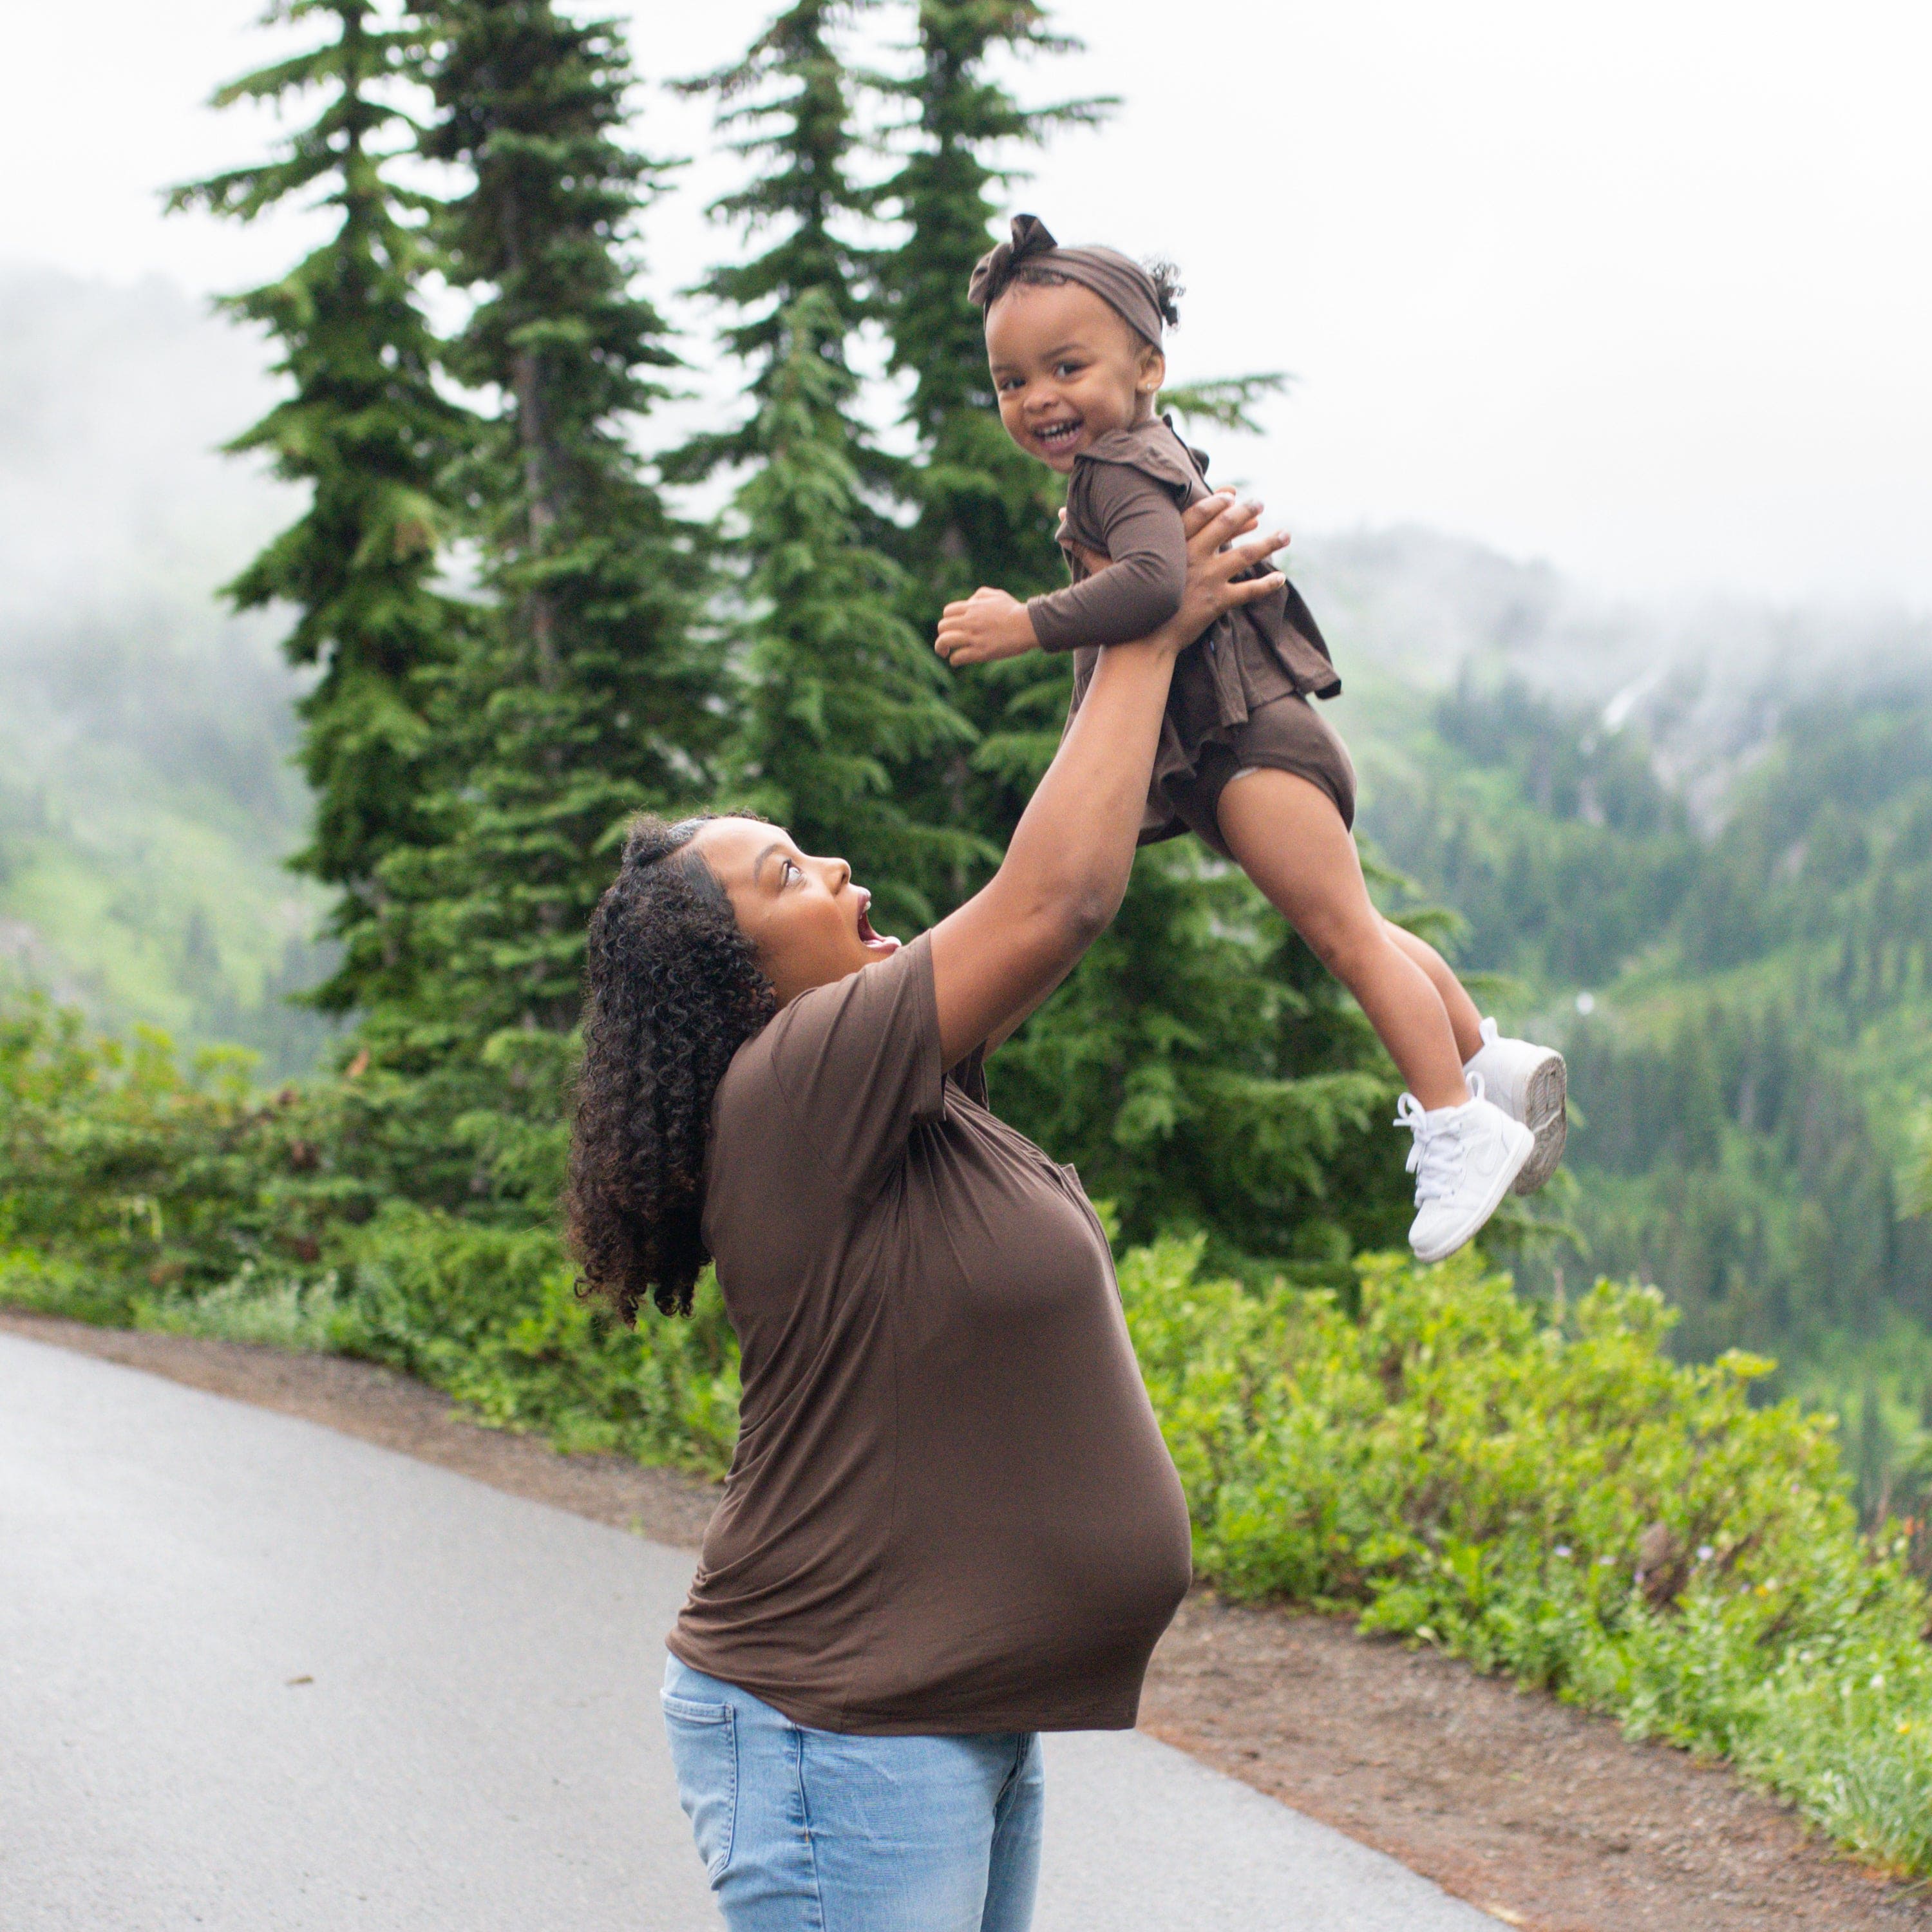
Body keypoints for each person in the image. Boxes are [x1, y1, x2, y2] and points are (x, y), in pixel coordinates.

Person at [567, 493, 1283, 1932]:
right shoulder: (787, 1087)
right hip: (840, 1725)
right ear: (729, 977)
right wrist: (1150, 631)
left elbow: (1064, 873)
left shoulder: (890, 1100)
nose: (838, 873)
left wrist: (1113, 617)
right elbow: (1056, 898)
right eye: (788, 875)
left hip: (921, 1711)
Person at [935, 214, 1568, 1264]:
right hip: (1238, 736)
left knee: (1343, 935)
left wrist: (1027, 625)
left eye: (1066, 366)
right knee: (1346, 915)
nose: (1038, 398)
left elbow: (1155, 586)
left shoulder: (1112, 472)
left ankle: (1458, 1122)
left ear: (1147, 365)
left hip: (1244, 735)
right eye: (1011, 382)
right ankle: (1486, 1062)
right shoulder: (1139, 448)